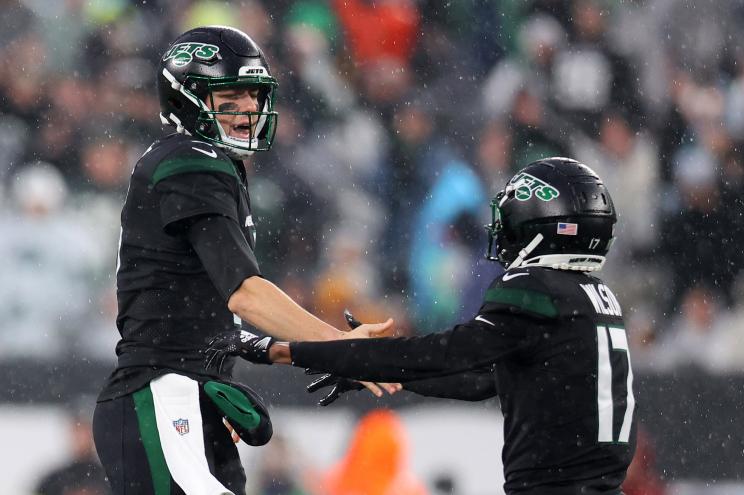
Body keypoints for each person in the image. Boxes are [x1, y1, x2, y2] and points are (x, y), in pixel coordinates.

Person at [210, 157, 638, 495]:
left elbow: (446, 353)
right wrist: (374, 373)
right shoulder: (595, 296)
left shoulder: (536, 287)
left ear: (541, 225)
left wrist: (284, 349)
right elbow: (480, 380)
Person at [92, 26, 394, 495]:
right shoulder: (190, 159)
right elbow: (245, 292)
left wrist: (287, 350)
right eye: (230, 96)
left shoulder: (210, 163)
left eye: (253, 96)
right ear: (186, 99)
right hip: (163, 397)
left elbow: (208, 318)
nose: (249, 108)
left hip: (190, 401)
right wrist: (340, 346)